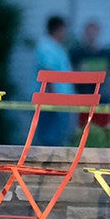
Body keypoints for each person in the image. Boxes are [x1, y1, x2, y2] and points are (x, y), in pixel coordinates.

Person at [69, 20, 110, 129]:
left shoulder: (107, 54)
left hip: (103, 99)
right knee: (84, 131)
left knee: (104, 132)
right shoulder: (77, 53)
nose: (91, 34)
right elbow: (73, 77)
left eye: (93, 31)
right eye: (89, 32)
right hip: (84, 100)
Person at [34, 15, 74, 146]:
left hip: (61, 100)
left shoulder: (56, 47)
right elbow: (48, 74)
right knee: (50, 138)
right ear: (58, 29)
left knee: (58, 137)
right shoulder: (46, 47)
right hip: (53, 101)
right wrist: (52, 99)